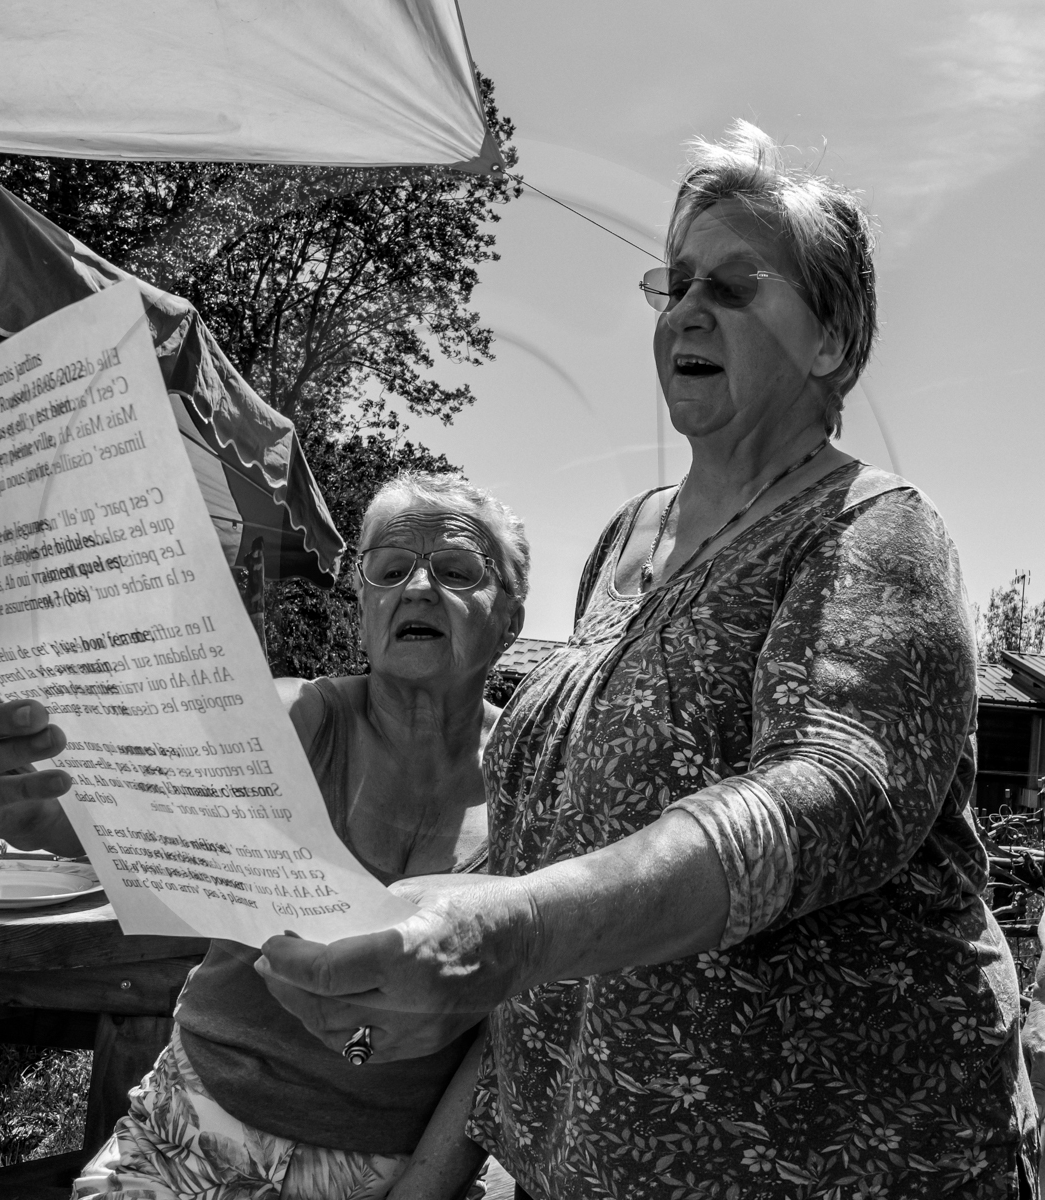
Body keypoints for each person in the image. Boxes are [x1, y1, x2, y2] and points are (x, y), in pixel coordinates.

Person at [251, 122, 1039, 1198]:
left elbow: (835, 792)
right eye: (675, 283)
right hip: (580, 1162)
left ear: (832, 341)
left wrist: (519, 931)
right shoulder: (626, 540)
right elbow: (556, 851)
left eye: (734, 285)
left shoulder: (873, 528)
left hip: (838, 1166)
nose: (686, 311)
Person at [0, 471, 528, 1200]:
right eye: (389, 570)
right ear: (363, 610)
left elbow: (514, 1029)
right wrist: (15, 801)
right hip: (189, 1130)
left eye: (456, 569)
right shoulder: (294, 721)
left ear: (509, 618)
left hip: (398, 1169)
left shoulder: (534, 780)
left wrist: (421, 1191)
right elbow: (133, 809)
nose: (417, 587)